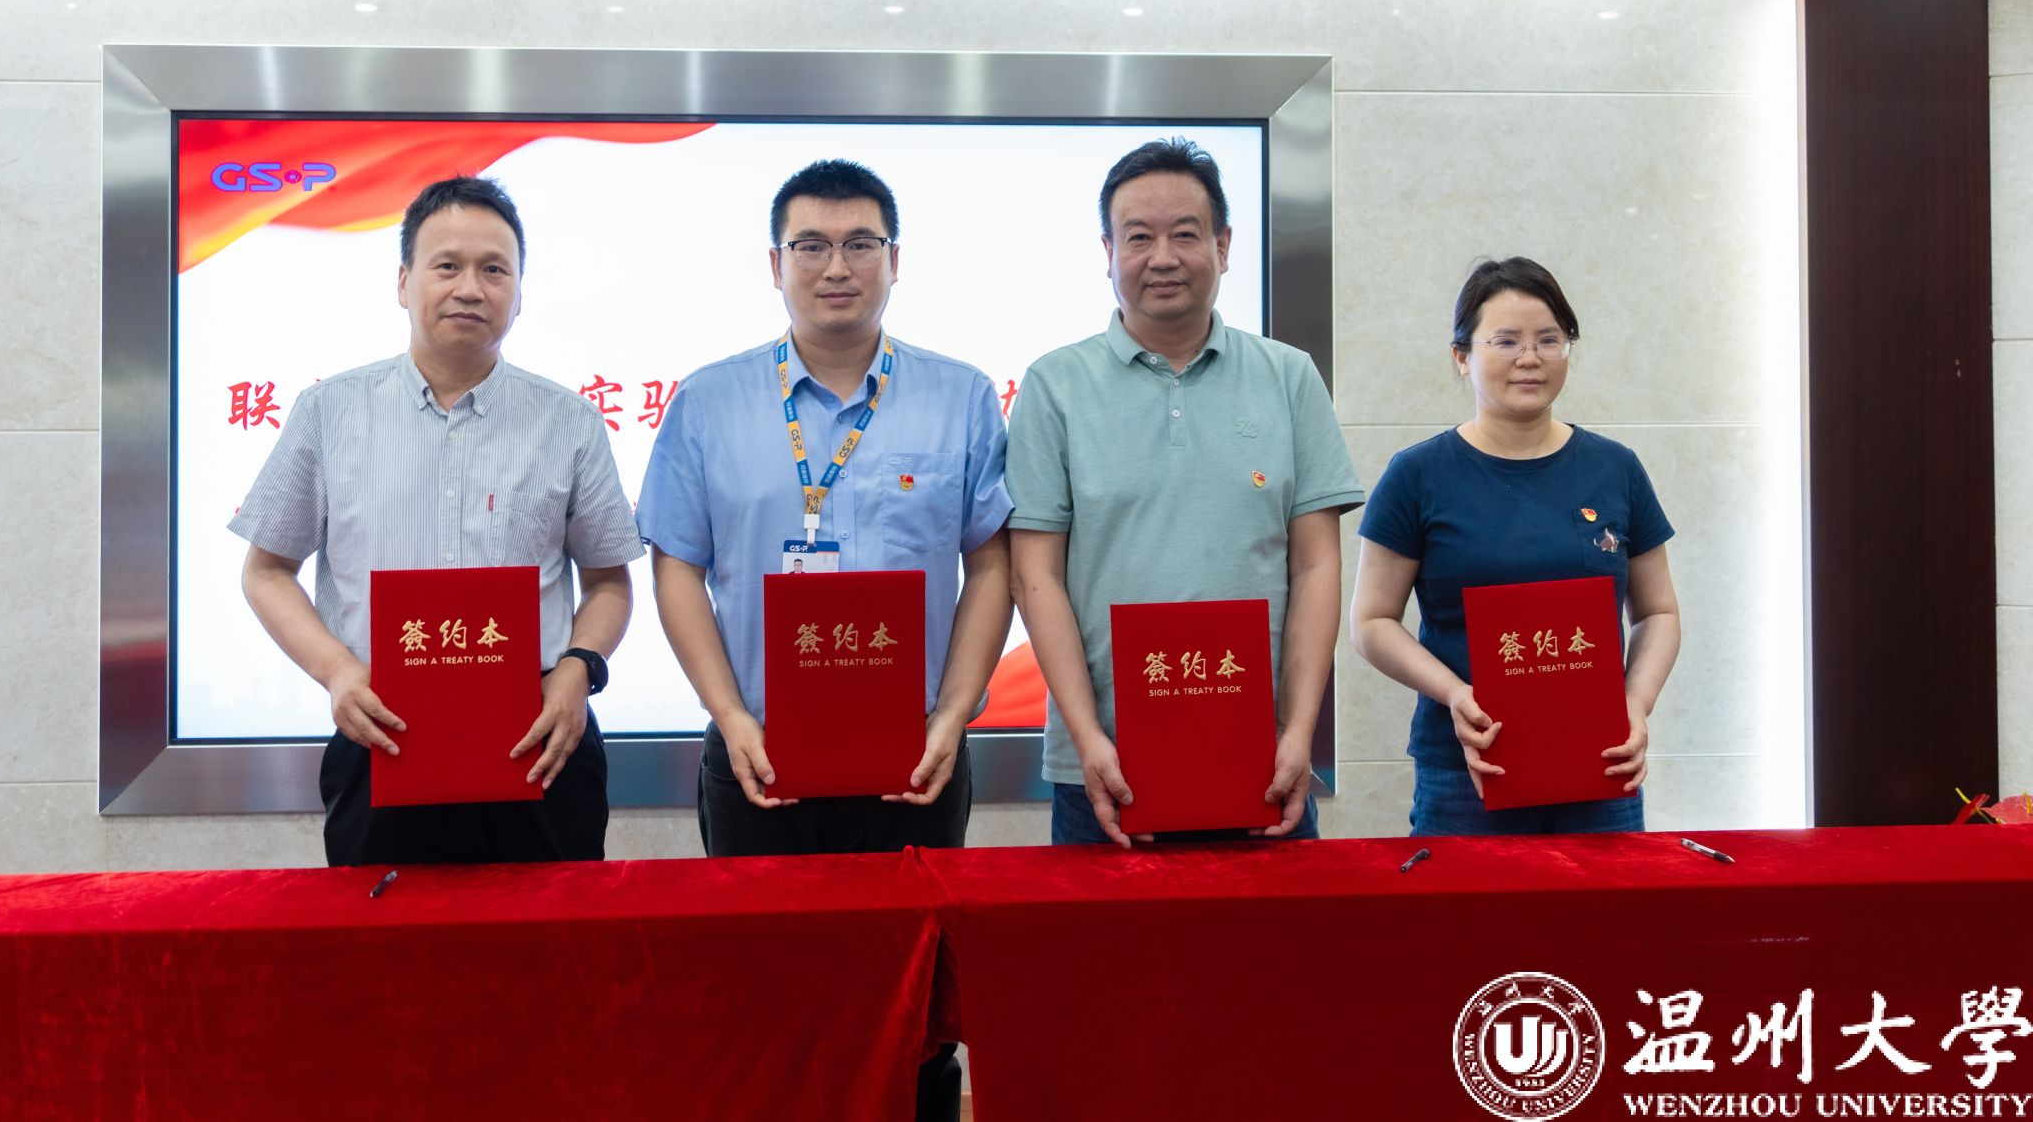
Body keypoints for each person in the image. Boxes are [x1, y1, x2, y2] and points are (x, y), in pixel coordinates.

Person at [638, 157, 1009, 1120]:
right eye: (810, 245)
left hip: (915, 760)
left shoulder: (962, 396)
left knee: (917, 1013)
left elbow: (992, 564)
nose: (835, 266)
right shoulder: (709, 401)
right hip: (759, 759)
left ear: (895, 259)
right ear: (775, 264)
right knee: (769, 1009)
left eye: (859, 244)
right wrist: (729, 715)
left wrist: (954, 715)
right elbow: (675, 565)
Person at [231, 176, 643, 866]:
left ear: (520, 290)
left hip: (541, 741)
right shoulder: (328, 413)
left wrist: (579, 669)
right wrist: (338, 672)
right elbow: (267, 572)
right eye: (447, 265)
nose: (470, 288)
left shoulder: (569, 421)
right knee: (386, 936)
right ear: (404, 281)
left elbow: (609, 583)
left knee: (551, 935)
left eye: (494, 270)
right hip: (384, 739)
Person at [1006, 136, 1363, 848]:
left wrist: (1299, 731)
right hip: (1104, 769)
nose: (1162, 257)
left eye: (1186, 234)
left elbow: (1316, 565)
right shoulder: (1054, 385)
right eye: (1138, 237)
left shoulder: (1289, 376)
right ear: (1108, 250)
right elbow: (1034, 574)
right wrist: (1088, 739)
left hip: (1262, 761)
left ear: (1223, 246)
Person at [1348, 256, 1682, 836]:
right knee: (1470, 901)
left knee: (1607, 901)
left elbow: (1658, 612)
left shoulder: (1616, 468)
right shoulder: (1417, 475)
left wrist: (1636, 704)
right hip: (1469, 766)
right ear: (1462, 356)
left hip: (1602, 760)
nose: (1530, 358)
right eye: (1505, 341)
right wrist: (1454, 694)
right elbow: (1372, 622)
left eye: (1549, 340)